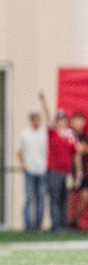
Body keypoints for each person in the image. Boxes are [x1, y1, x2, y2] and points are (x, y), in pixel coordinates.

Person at [40, 92, 81, 231]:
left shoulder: (70, 135)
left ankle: (63, 224)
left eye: (63, 119)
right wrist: (44, 101)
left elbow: (75, 154)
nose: (61, 121)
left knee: (65, 199)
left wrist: (78, 171)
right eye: (59, 119)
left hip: (66, 172)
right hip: (54, 171)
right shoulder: (53, 132)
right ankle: (55, 224)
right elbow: (47, 118)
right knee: (55, 198)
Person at [17, 110, 47, 231]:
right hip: (30, 170)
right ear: (31, 120)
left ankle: (38, 225)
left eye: (38, 119)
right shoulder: (24, 134)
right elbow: (19, 151)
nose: (36, 121)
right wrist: (23, 165)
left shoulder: (45, 133)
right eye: (34, 119)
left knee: (41, 198)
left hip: (43, 170)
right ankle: (28, 225)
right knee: (29, 197)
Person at [69, 112, 87, 227]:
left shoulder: (84, 137)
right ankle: (66, 223)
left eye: (80, 120)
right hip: (69, 171)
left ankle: (75, 221)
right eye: (76, 120)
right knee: (69, 199)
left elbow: (83, 150)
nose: (78, 123)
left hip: (83, 172)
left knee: (85, 197)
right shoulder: (68, 134)